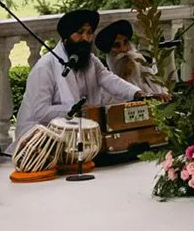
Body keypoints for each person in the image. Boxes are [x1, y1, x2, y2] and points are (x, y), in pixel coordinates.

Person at [13, 10, 128, 140]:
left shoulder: (91, 62)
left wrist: (137, 94)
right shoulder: (45, 67)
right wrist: (76, 110)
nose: (85, 38)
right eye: (79, 32)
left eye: (89, 33)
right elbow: (40, 111)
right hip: (38, 137)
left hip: (76, 135)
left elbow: (111, 80)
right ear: (66, 37)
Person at [94, 18, 162, 93]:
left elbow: (154, 82)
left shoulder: (138, 58)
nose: (123, 49)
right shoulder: (109, 68)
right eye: (116, 45)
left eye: (125, 42)